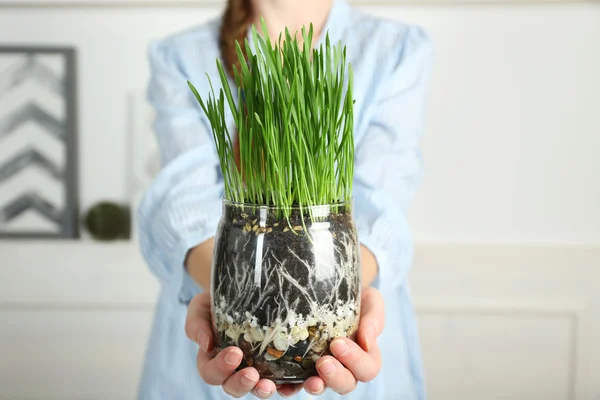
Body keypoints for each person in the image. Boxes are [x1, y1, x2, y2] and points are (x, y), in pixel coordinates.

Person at [136, 0, 433, 398]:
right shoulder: (181, 56)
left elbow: (383, 204)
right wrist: (237, 300)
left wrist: (331, 303)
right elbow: (182, 207)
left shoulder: (396, 48)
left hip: (346, 345)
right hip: (216, 351)